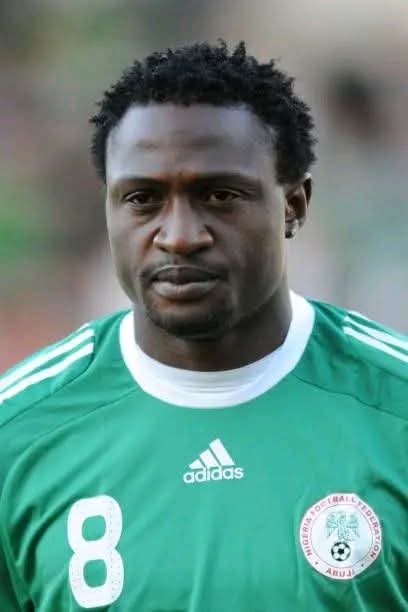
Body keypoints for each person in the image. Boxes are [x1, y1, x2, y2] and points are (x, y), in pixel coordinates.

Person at [0, 41, 406, 612]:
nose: (180, 236)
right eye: (142, 199)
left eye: (219, 195)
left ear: (294, 204)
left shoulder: (394, 406)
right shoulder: (17, 434)